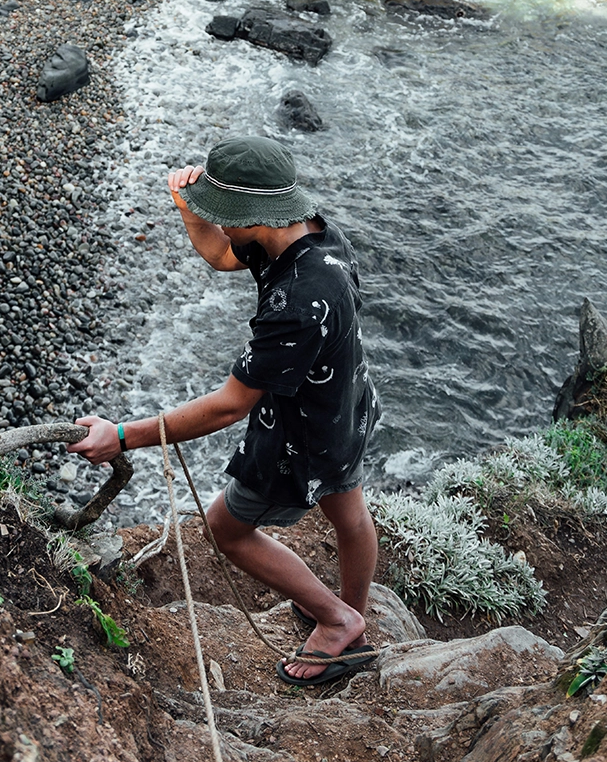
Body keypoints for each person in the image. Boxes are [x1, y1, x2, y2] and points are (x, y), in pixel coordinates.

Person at [67, 135, 380, 685]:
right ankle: (353, 616)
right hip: (344, 404)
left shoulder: (298, 302)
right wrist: (193, 210)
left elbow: (228, 407)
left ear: (255, 216)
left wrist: (122, 434)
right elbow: (220, 252)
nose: (222, 227)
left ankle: (337, 618)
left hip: (299, 433)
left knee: (226, 530)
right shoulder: (311, 235)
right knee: (349, 512)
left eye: (225, 215)